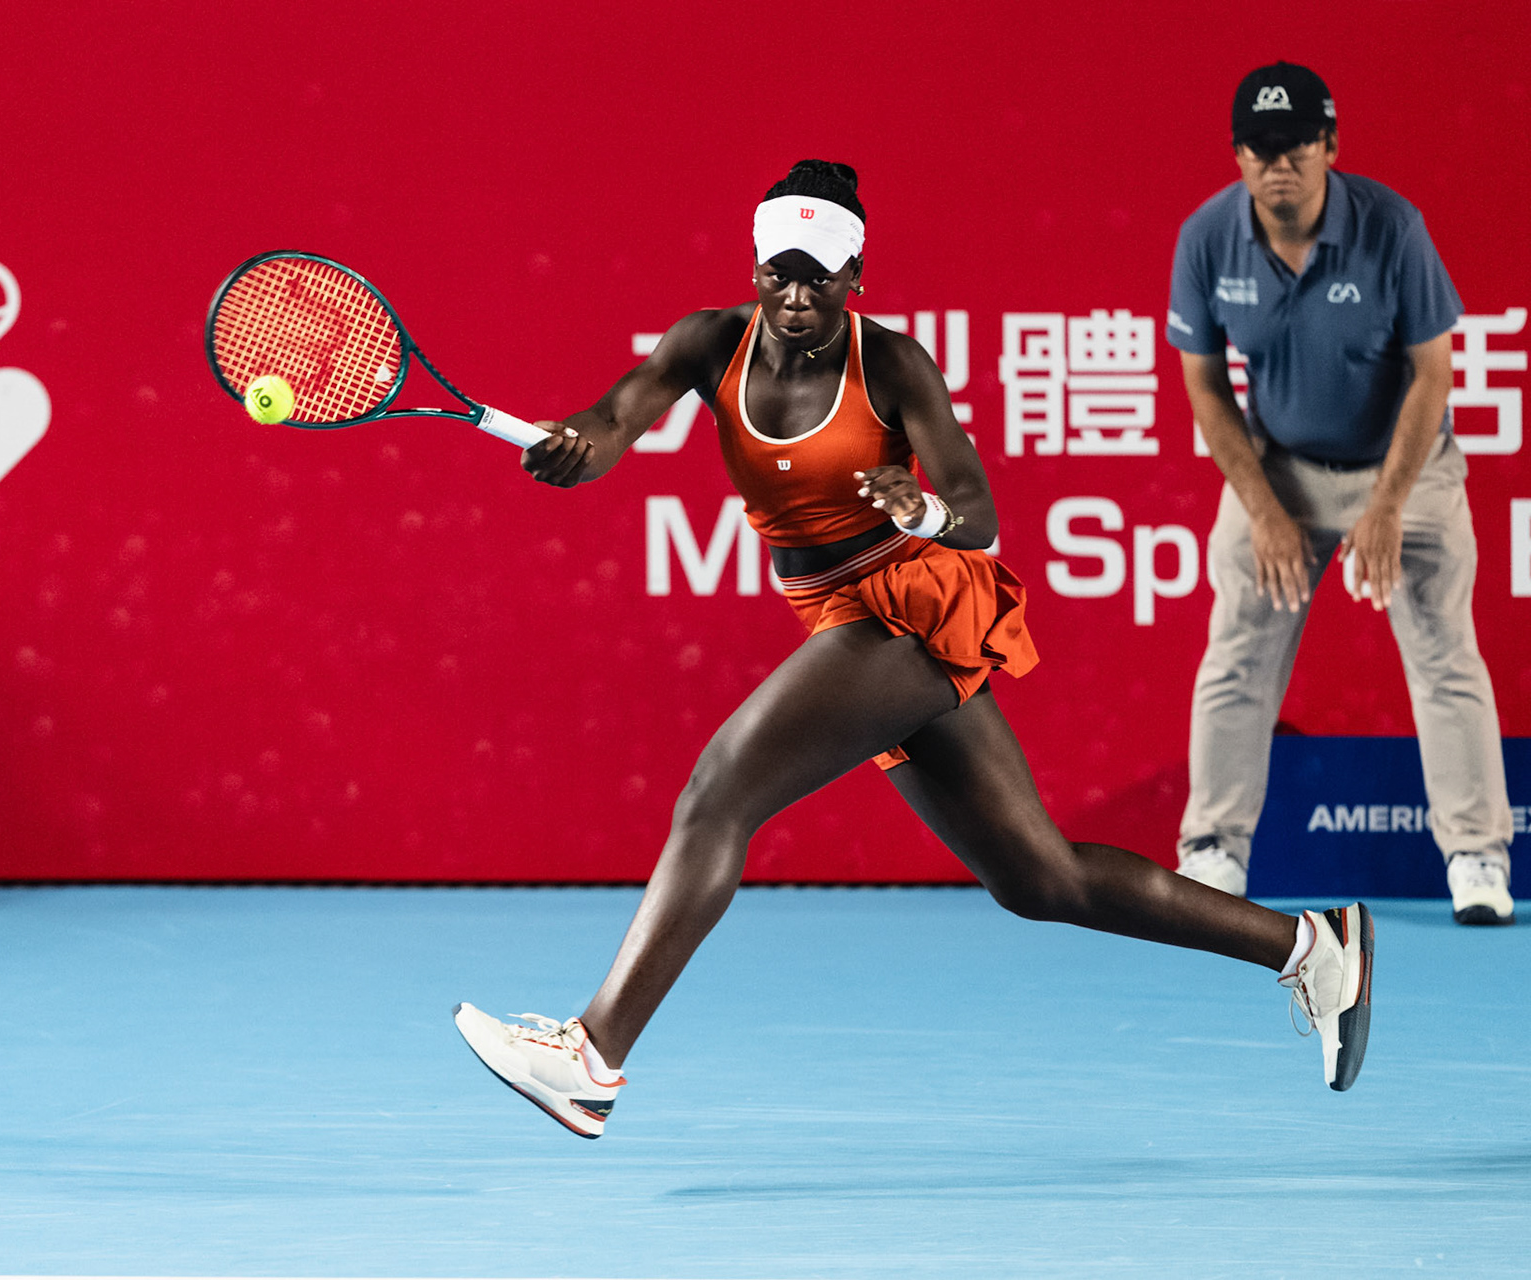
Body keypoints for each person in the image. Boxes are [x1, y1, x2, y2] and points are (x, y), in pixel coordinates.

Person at [453, 159, 1374, 1139]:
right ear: (755, 267)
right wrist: (576, 448)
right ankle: (1311, 945)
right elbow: (615, 417)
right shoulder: (705, 341)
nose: (797, 296)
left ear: (857, 276)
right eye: (780, 273)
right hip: (844, 619)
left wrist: (922, 505)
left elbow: (977, 513)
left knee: (718, 790)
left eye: (821, 276)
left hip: (911, 604)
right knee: (1040, 878)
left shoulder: (892, 364)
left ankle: (592, 1055)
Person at [1166, 63, 1515, 926]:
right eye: (1259, 147)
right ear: (1239, 153)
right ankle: (1212, 849)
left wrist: (1388, 507)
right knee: (1237, 652)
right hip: (1278, 467)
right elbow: (1205, 385)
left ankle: (1476, 853)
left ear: (1329, 145)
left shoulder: (1392, 227)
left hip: (1405, 465)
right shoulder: (1208, 237)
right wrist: (1264, 509)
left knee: (1444, 652)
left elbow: (1433, 374)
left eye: (1294, 146)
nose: (1276, 164)